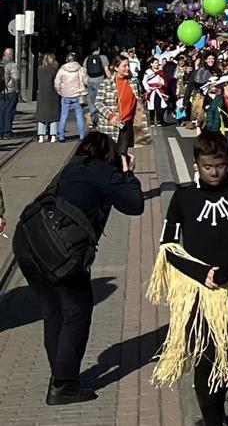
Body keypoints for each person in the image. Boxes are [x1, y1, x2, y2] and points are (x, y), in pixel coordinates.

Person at [12, 131, 144, 405]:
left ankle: (60, 374)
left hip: (27, 240)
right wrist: (127, 172)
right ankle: (63, 384)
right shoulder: (104, 172)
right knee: (77, 312)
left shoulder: (70, 168)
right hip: (60, 251)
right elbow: (134, 205)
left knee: (53, 311)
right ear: (109, 154)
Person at [147, 131, 228, 426]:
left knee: (227, 356)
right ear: (196, 165)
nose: (214, 172)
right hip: (195, 292)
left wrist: (225, 272)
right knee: (204, 357)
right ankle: (213, 420)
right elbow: (169, 248)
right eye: (207, 167)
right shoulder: (183, 197)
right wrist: (201, 273)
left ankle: (219, 407)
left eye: (220, 165)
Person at [93, 58, 138, 155]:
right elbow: (98, 103)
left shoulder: (133, 82)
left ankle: (124, 169)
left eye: (128, 65)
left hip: (126, 124)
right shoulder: (106, 83)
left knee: (122, 154)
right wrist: (111, 116)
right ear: (116, 68)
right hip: (110, 125)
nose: (127, 68)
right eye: (124, 66)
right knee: (110, 155)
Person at [54, 52, 89, 142]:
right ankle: (81, 135)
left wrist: (60, 92)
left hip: (65, 95)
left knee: (63, 116)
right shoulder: (81, 69)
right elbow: (86, 81)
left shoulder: (62, 70)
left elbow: (56, 83)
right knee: (79, 116)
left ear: (66, 60)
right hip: (78, 95)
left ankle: (61, 136)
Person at [35, 53, 61, 143]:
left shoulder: (40, 69)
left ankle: (41, 136)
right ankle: (53, 135)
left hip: (42, 94)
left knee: (41, 116)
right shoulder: (55, 69)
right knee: (53, 116)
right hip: (53, 94)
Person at [83, 42, 110, 120]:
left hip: (90, 82)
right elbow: (107, 71)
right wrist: (111, 80)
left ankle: (93, 117)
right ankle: (100, 117)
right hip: (100, 81)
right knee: (100, 100)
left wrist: (85, 83)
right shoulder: (103, 57)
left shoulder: (87, 59)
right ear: (99, 48)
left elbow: (84, 72)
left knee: (91, 101)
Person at [142, 57, 169, 127]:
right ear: (151, 64)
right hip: (151, 91)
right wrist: (147, 88)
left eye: (157, 63)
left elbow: (163, 79)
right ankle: (151, 121)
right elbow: (144, 81)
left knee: (159, 105)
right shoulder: (147, 71)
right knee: (151, 106)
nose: (157, 64)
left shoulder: (160, 71)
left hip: (158, 90)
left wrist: (162, 84)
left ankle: (159, 120)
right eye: (155, 63)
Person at [1, 47, 20, 138]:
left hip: (1, 91)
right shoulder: (12, 65)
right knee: (9, 111)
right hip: (10, 91)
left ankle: (1, 131)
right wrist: (17, 90)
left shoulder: (0, 63)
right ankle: (7, 132)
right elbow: (16, 78)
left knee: (1, 111)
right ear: (11, 55)